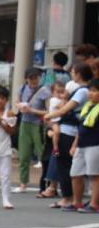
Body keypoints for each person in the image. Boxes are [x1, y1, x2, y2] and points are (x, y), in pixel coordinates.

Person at [45, 63, 93, 210]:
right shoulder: (84, 90)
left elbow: (65, 109)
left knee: (64, 165)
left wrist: (49, 115)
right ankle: (71, 198)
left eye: (73, 72)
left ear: (78, 74)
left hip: (69, 131)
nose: (72, 74)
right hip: (73, 131)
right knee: (69, 166)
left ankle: (68, 198)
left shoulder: (82, 91)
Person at [14, 67, 50, 193]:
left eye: (36, 77)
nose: (34, 80)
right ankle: (23, 183)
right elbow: (17, 102)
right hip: (25, 124)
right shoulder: (22, 88)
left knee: (43, 154)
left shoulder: (44, 91)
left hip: (38, 125)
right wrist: (20, 106)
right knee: (23, 155)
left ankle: (47, 184)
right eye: (31, 78)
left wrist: (32, 110)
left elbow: (48, 111)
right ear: (26, 79)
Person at [69, 78, 99, 213]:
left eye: (95, 91)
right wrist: (74, 144)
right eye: (90, 91)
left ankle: (94, 204)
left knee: (95, 175)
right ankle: (77, 202)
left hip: (95, 144)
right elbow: (80, 128)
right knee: (75, 173)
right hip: (81, 144)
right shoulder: (88, 107)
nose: (91, 93)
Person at [39, 80, 67, 199]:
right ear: (52, 92)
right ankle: (55, 147)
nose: (60, 94)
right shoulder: (54, 100)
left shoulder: (57, 100)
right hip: (55, 122)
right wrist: (65, 100)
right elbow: (63, 108)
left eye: (62, 92)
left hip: (56, 122)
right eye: (57, 92)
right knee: (56, 133)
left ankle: (51, 187)